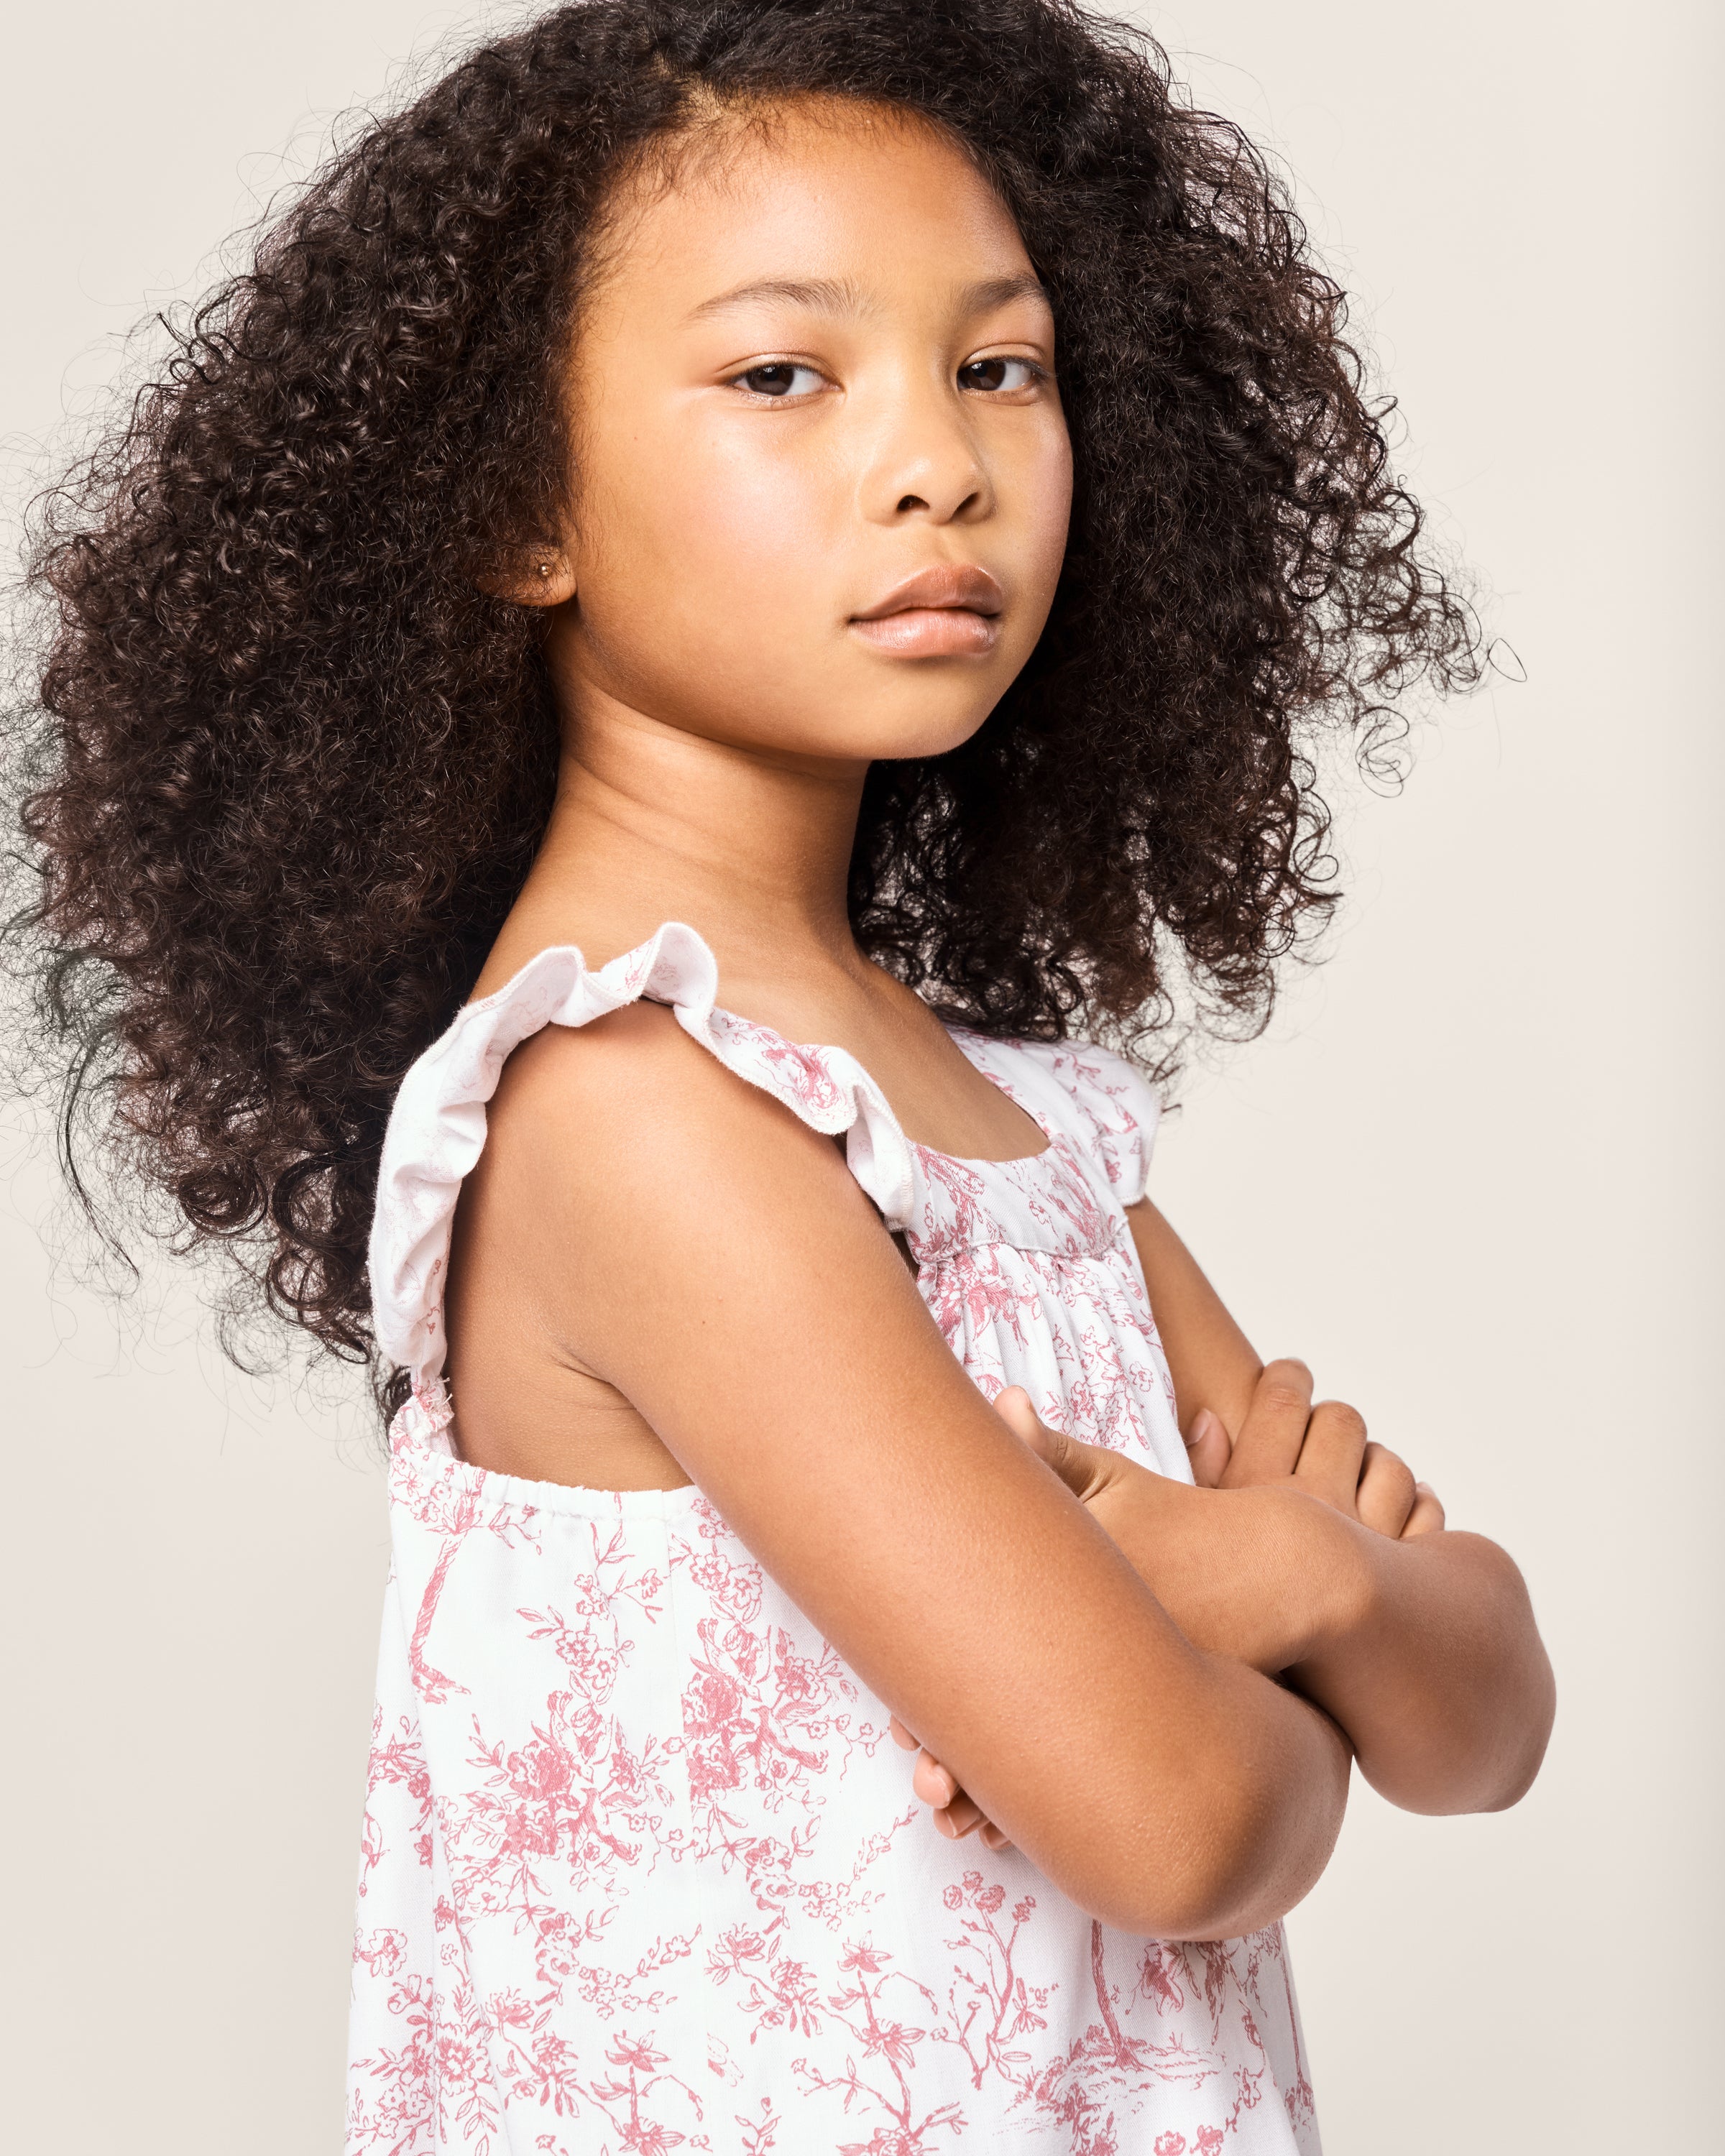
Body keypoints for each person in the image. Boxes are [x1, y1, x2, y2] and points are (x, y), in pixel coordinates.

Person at [12, 1, 1554, 2149]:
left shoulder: (1009, 1122)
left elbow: (1490, 1723)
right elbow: (1184, 1827)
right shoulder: (633, 1115)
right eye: (780, 376)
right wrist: (1294, 1620)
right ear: (516, 503)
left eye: (997, 364)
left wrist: (1313, 1591)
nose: (937, 458)